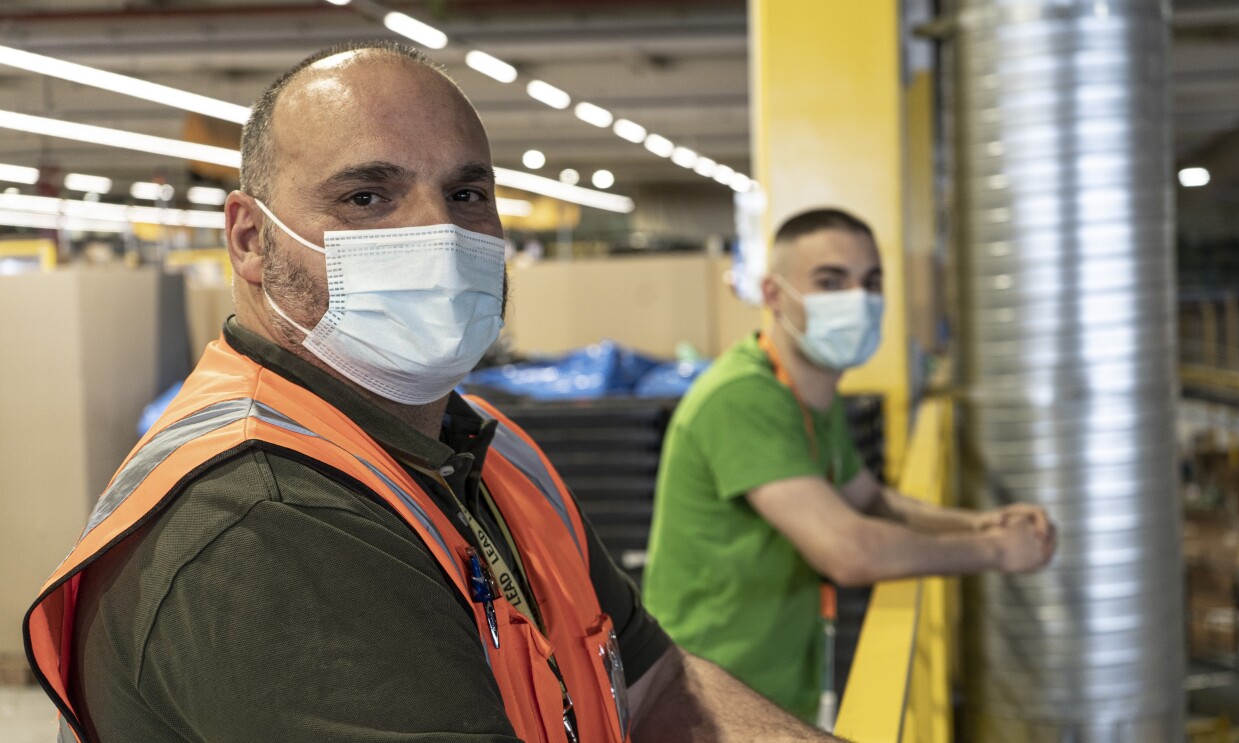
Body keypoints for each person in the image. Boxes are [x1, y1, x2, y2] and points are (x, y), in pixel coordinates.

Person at [24, 43, 841, 743]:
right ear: (250, 238)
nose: (438, 233)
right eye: (366, 197)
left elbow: (659, 689)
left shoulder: (485, 449)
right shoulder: (263, 517)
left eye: (466, 194)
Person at [643, 208, 1057, 722]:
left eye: (871, 282)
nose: (857, 299)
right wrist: (994, 550)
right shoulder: (743, 399)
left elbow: (868, 497)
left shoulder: (809, 390)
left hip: (771, 685)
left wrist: (978, 521)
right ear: (773, 295)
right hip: (709, 702)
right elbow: (850, 551)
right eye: (831, 281)